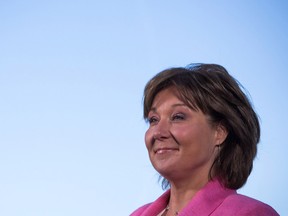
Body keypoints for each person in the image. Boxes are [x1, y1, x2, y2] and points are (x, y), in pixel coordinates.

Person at [131, 63, 279, 216]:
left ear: (219, 132)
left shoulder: (251, 213)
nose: (157, 132)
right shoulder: (138, 214)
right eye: (153, 120)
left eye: (178, 117)